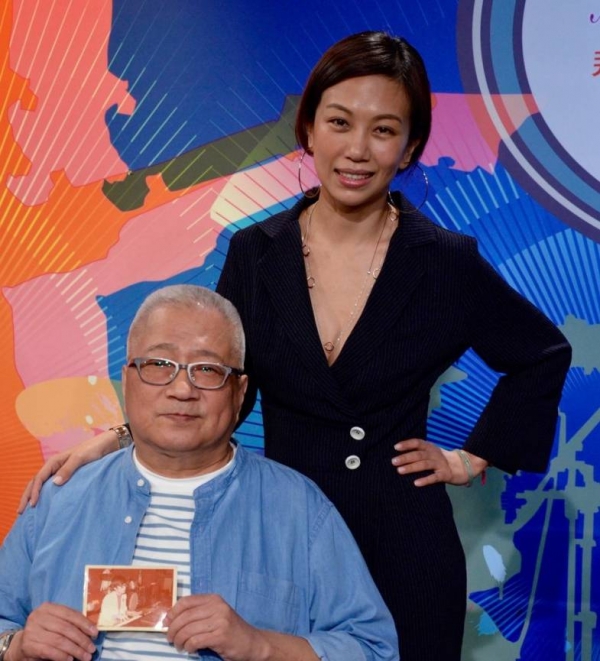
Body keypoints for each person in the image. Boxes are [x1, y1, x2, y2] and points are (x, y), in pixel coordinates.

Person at [18, 31, 572, 661]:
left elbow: (541, 354)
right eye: (339, 122)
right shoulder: (257, 253)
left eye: (383, 130)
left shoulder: (445, 261)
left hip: (401, 543)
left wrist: (471, 457)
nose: (357, 149)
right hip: (275, 539)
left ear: (411, 147)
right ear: (308, 128)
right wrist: (121, 438)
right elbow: (220, 378)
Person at [0, 285, 398, 661]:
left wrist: (259, 645)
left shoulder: (299, 508)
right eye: (160, 365)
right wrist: (15, 646)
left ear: (240, 392)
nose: (182, 390)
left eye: (207, 369)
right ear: (128, 378)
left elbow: (375, 649)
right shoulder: (60, 497)